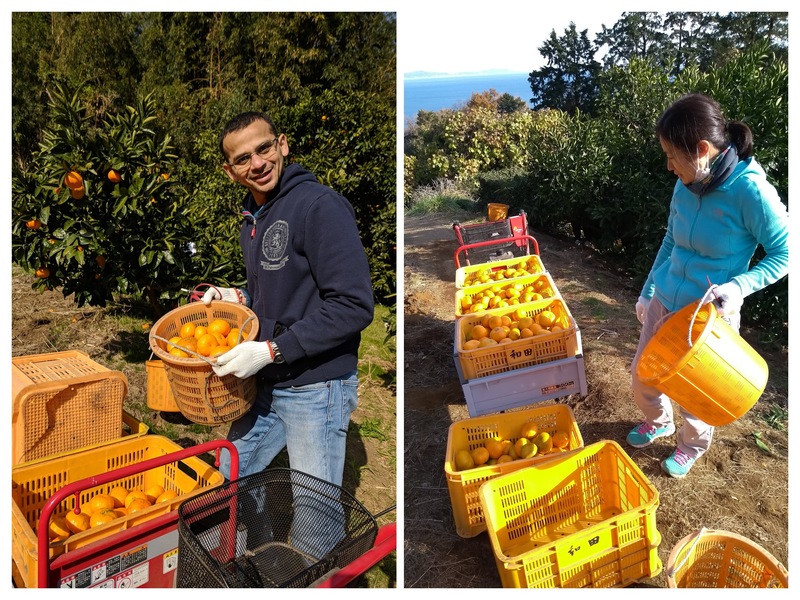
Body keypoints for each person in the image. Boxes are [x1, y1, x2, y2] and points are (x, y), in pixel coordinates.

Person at [200, 111, 375, 489]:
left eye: (263, 148)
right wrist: (238, 296)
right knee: (225, 480)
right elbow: (284, 292)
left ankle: (323, 552)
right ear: (230, 171)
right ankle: (241, 546)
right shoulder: (254, 218)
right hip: (267, 380)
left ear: (282, 144)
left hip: (316, 385)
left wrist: (270, 350)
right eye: (243, 159)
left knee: (314, 508)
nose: (258, 163)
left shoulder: (319, 206)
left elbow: (353, 304)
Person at [628, 93, 788, 479]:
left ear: (701, 149)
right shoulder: (687, 181)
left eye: (671, 154)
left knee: (697, 392)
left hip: (706, 317)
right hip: (665, 301)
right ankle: (660, 421)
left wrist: (739, 286)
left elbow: (786, 252)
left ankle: (691, 446)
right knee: (642, 376)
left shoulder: (750, 191)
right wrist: (649, 289)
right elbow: (671, 241)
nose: (668, 165)